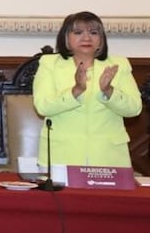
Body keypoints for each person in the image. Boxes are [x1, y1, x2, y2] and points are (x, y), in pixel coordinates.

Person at [32, 11, 141, 167]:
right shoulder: (49, 64)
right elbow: (43, 107)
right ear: (66, 38)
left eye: (93, 32)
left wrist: (109, 91)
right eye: (78, 32)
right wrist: (76, 90)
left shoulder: (119, 64)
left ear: (101, 40)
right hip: (62, 156)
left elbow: (134, 109)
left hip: (109, 158)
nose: (86, 38)